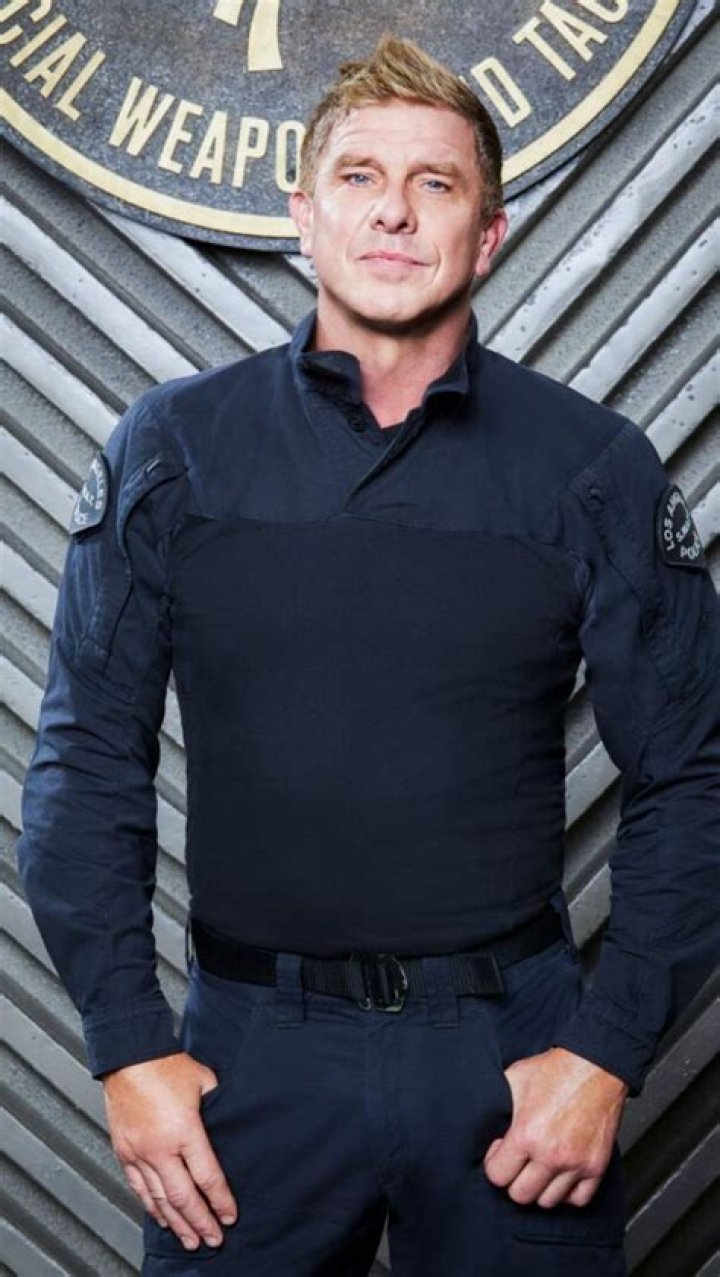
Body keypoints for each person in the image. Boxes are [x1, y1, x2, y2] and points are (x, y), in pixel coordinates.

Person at [17, 34, 718, 1277]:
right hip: (249, 1057)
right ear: (304, 216)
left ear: (487, 237)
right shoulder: (174, 450)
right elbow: (85, 764)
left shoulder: (589, 468)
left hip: (512, 1055)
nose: (393, 210)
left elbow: (696, 773)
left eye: (435, 184)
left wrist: (607, 1052)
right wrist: (128, 1047)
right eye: (358, 176)